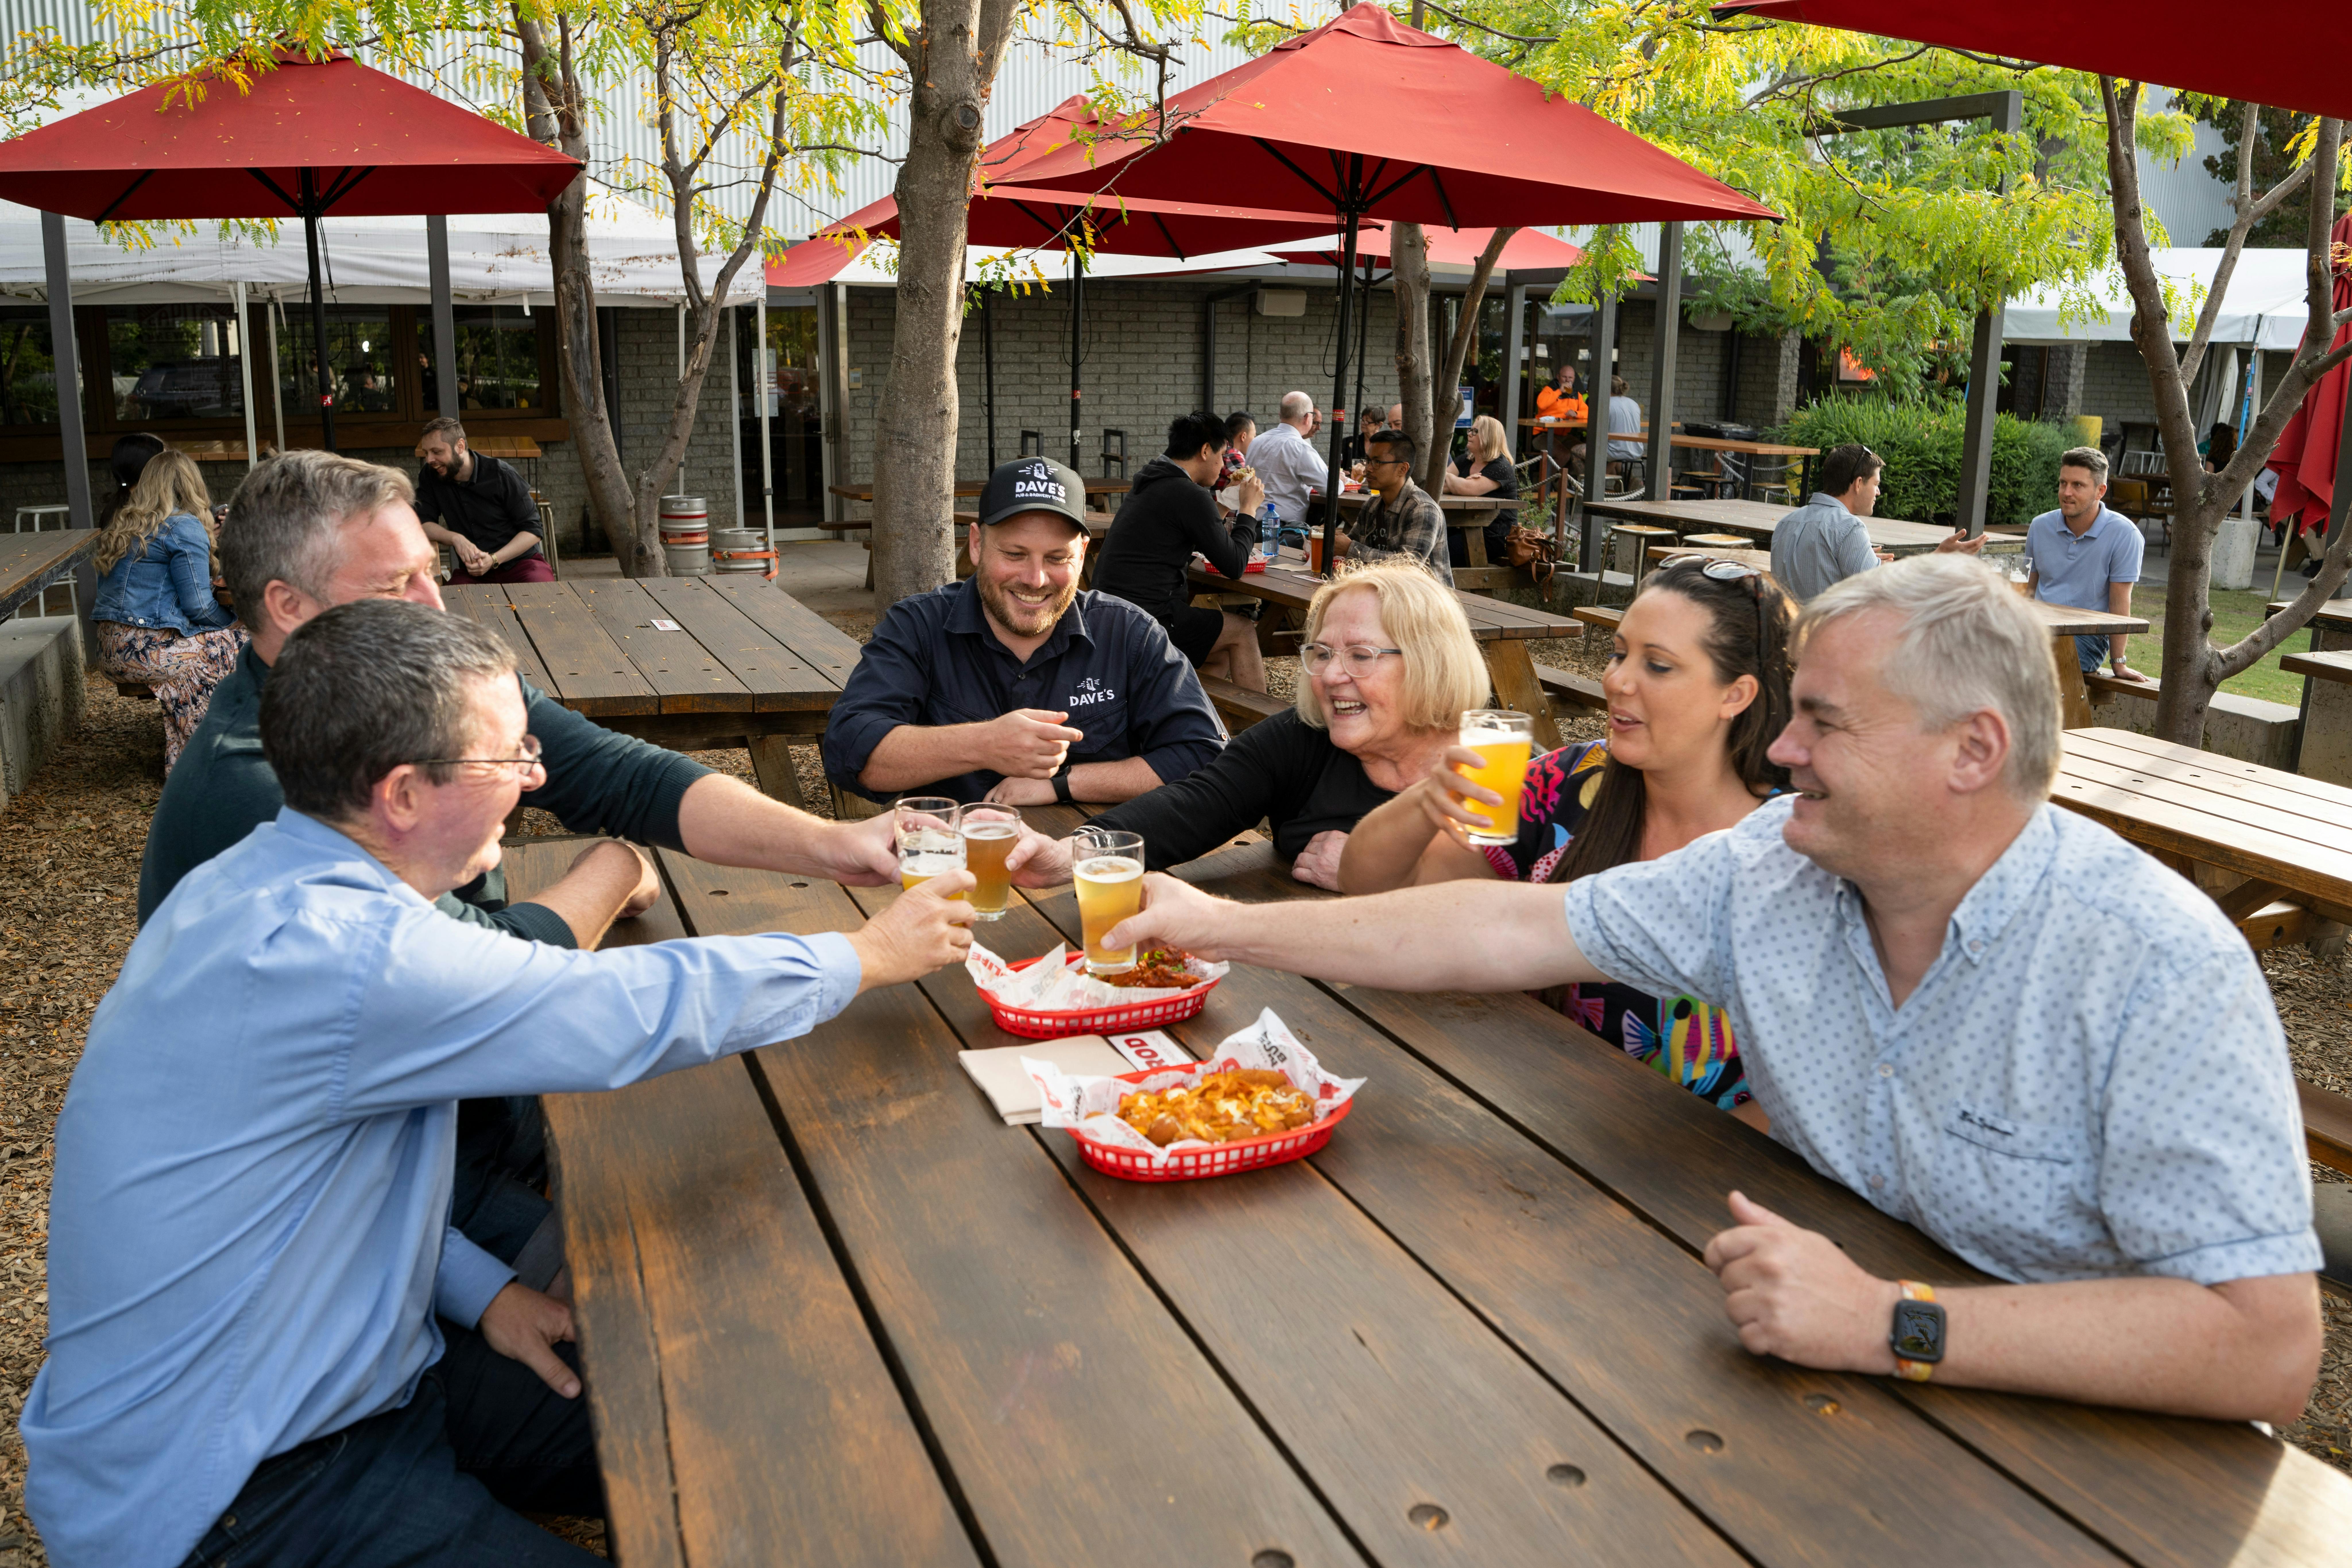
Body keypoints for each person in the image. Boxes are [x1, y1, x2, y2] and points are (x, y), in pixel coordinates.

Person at [1107, 554, 2322, 1427]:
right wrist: (1226, 925)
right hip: (1822, 1397)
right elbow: (1509, 924)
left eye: (1822, 724)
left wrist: (1890, 1323)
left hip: (2099, 1463)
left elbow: (2266, 1350)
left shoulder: (2154, 963)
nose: (1784, 755)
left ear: (1972, 751)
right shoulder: (1773, 862)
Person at [23, 598, 976, 1568]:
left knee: (731, 1419)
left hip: (358, 1383)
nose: (533, 778)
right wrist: (865, 953)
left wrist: (481, 1292)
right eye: (508, 759)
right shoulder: (347, 954)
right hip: (237, 1492)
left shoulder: (259, 882)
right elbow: (620, 1008)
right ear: (401, 794)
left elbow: (293, 1201)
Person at [1341, 556, 1793, 1115]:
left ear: (1736, 694)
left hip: (1698, 1178)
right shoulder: (1567, 779)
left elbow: (1805, 1103)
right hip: (1527, 1122)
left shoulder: (1792, 847)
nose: (1617, 681)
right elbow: (1378, 894)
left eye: (1657, 666)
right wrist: (1422, 803)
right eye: (1619, 653)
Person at [1034, 559, 1488, 890]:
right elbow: (1198, 804)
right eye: (1323, 653)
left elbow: (1525, 911)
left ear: (1430, 664)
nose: (1330, 676)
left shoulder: (1501, 769)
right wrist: (1067, 854)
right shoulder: (1305, 737)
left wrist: (1377, 874)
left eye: (1361, 656)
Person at [822, 455, 1225, 808]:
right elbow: (849, 752)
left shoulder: (1129, 632)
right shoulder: (918, 626)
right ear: (977, 545)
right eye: (1015, 554)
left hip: (1090, 867)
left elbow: (1205, 755)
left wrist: (1062, 785)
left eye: (1057, 558)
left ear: (1083, 553)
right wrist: (984, 745)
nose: (1035, 579)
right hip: (953, 867)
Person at [90, 448, 245, 772]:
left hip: (111, 650)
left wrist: (206, 537)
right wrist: (233, 623)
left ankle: (186, 763)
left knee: (219, 646)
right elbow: (200, 607)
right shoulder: (182, 527)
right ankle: (222, 756)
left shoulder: (126, 522)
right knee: (245, 642)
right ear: (192, 486)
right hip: (149, 650)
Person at [1093, 411, 1269, 690]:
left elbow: (1196, 533)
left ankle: (1198, 728)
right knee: (1243, 632)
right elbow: (1235, 564)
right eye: (1222, 456)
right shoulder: (1187, 494)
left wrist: (1224, 502)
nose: (1224, 466)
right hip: (1149, 620)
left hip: (1111, 615)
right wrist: (1248, 509)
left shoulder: (1153, 481)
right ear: (1204, 451)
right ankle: (1261, 734)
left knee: (1219, 654)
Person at [1770, 443, 1982, 602]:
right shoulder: (1849, 528)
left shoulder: (1786, 524)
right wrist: (1939, 557)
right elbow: (1888, 594)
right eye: (1876, 483)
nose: (1879, 492)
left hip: (1787, 643)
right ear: (1859, 484)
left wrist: (1864, 560)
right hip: (1833, 650)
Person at [2025, 446, 2145, 682]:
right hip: (2035, 629)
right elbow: (2028, 591)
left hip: (2085, 636)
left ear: (2100, 491)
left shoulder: (2125, 535)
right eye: (2063, 483)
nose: (2066, 492)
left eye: (2077, 485)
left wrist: (2119, 663)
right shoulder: (2040, 527)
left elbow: (2120, 603)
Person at [415, 416, 552, 585]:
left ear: (460, 447)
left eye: (437, 452)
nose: (429, 460)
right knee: (453, 603)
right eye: (426, 453)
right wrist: (456, 538)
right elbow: (422, 523)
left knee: (543, 596)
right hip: (473, 573)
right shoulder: (430, 476)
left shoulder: (502, 474)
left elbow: (533, 530)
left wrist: (494, 559)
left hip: (521, 565)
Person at [1336, 428, 1452, 584]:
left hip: (1425, 602)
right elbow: (1352, 544)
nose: (1368, 469)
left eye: (1377, 462)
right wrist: (1330, 541)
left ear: (1403, 469)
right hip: (1383, 594)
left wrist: (1350, 549)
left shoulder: (1423, 509)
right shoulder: (1372, 506)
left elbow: (1408, 566)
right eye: (1368, 461)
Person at [1442, 413, 1519, 567]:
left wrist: (1448, 476)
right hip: (1464, 529)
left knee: (1437, 552)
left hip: (1492, 537)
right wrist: (1459, 483)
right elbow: (1440, 486)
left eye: (1475, 431)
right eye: (1470, 430)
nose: (1469, 434)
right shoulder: (1465, 461)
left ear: (1488, 436)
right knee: (1427, 544)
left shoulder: (1500, 467)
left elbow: (1467, 489)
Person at [1247, 390, 1332, 529]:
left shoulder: (1257, 441)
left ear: (1281, 415)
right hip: (1283, 531)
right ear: (1307, 418)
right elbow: (1332, 489)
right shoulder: (1301, 448)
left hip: (1249, 524)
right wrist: (1341, 478)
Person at [1605, 375, 1645, 465]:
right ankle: (1628, 479)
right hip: (1637, 451)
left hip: (1615, 452)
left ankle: (1588, 479)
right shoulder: (1634, 404)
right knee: (1615, 460)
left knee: (1576, 451)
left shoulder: (1606, 404)